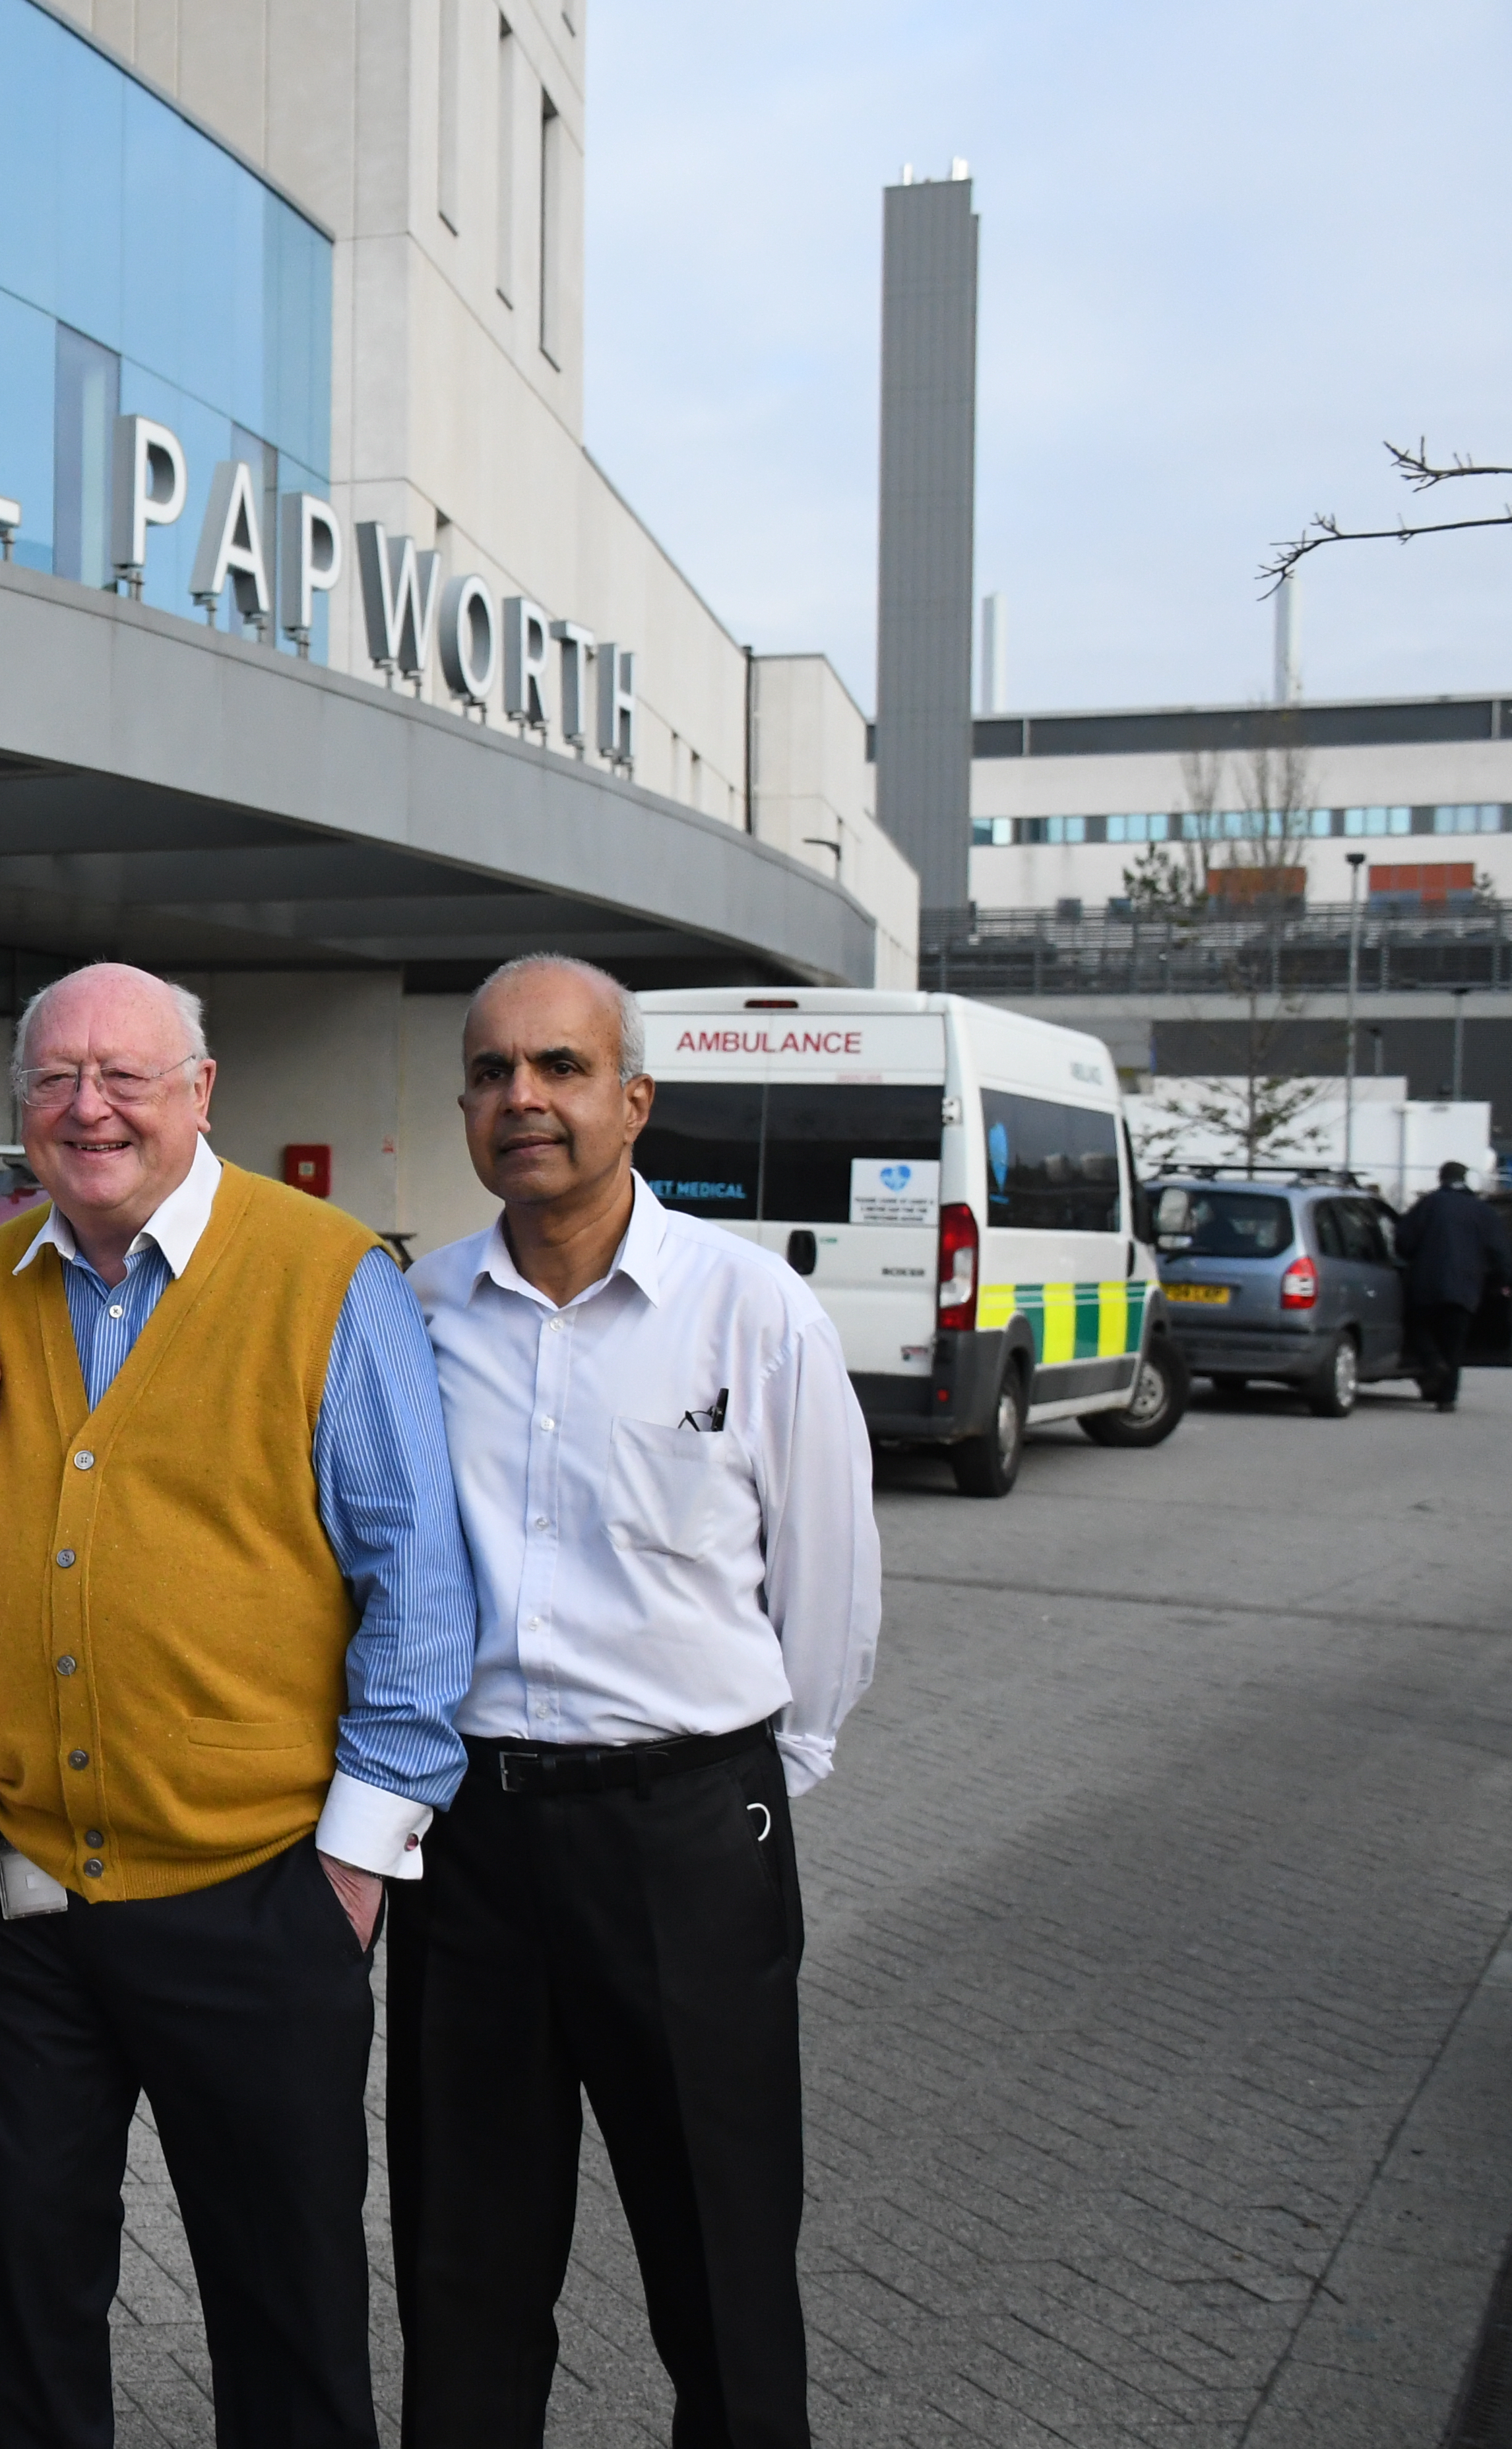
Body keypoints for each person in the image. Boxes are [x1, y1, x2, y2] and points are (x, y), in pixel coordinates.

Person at [0, 961, 476, 2449]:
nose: (88, 1105)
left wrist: (353, 1870)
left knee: (285, 2305)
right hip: (39, 1906)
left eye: (125, 1074)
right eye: (54, 1078)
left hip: (262, 1890)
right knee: (18, 2308)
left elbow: (416, 1583)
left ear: (202, 1091)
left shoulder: (322, 1272)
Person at [393, 953, 881, 2449]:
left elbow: (831, 1597)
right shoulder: (413, 1314)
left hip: (684, 1844)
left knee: (722, 2275)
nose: (520, 1098)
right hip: (468, 1850)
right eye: (490, 1072)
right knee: (461, 2282)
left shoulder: (751, 1314)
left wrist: (728, 1795)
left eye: (558, 1067)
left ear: (633, 1100)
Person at [1395, 1159, 1510, 1411]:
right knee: (1454, 1344)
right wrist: (1503, 1281)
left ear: (1441, 1178)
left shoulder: (1428, 1205)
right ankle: (1446, 1399)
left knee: (1418, 1328)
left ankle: (1433, 1362)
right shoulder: (1482, 1212)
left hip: (1427, 1284)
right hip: (1465, 1289)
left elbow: (1404, 1240)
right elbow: (1499, 1252)